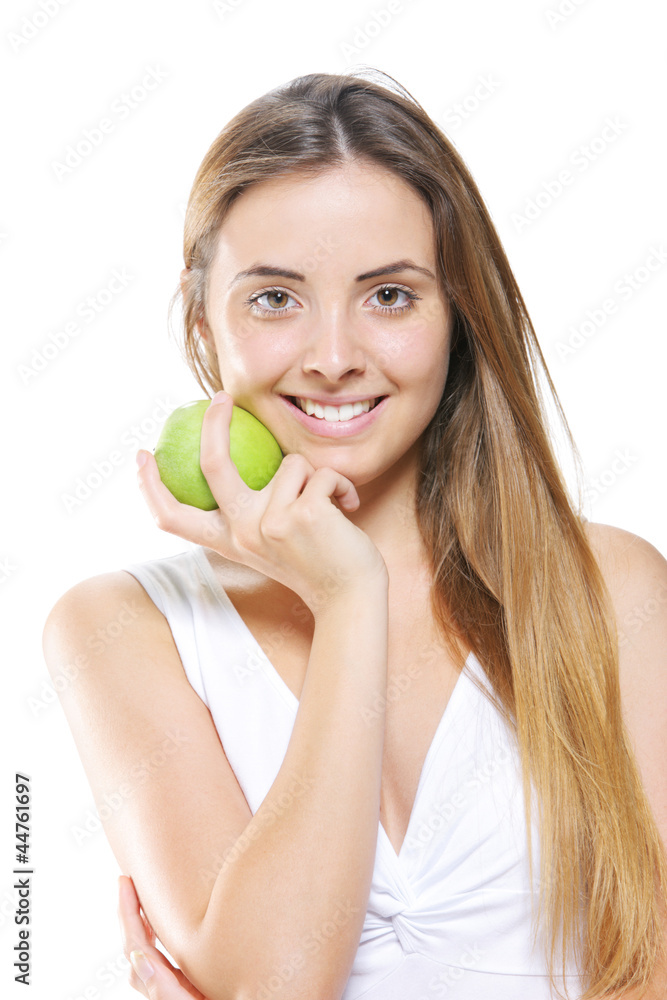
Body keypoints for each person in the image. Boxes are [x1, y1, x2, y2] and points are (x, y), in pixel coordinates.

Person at [42, 69, 667, 1000]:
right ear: (203, 320)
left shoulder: (610, 589)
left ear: (458, 315)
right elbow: (273, 986)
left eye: (389, 296)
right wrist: (347, 598)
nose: (333, 358)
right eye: (274, 298)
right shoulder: (121, 629)